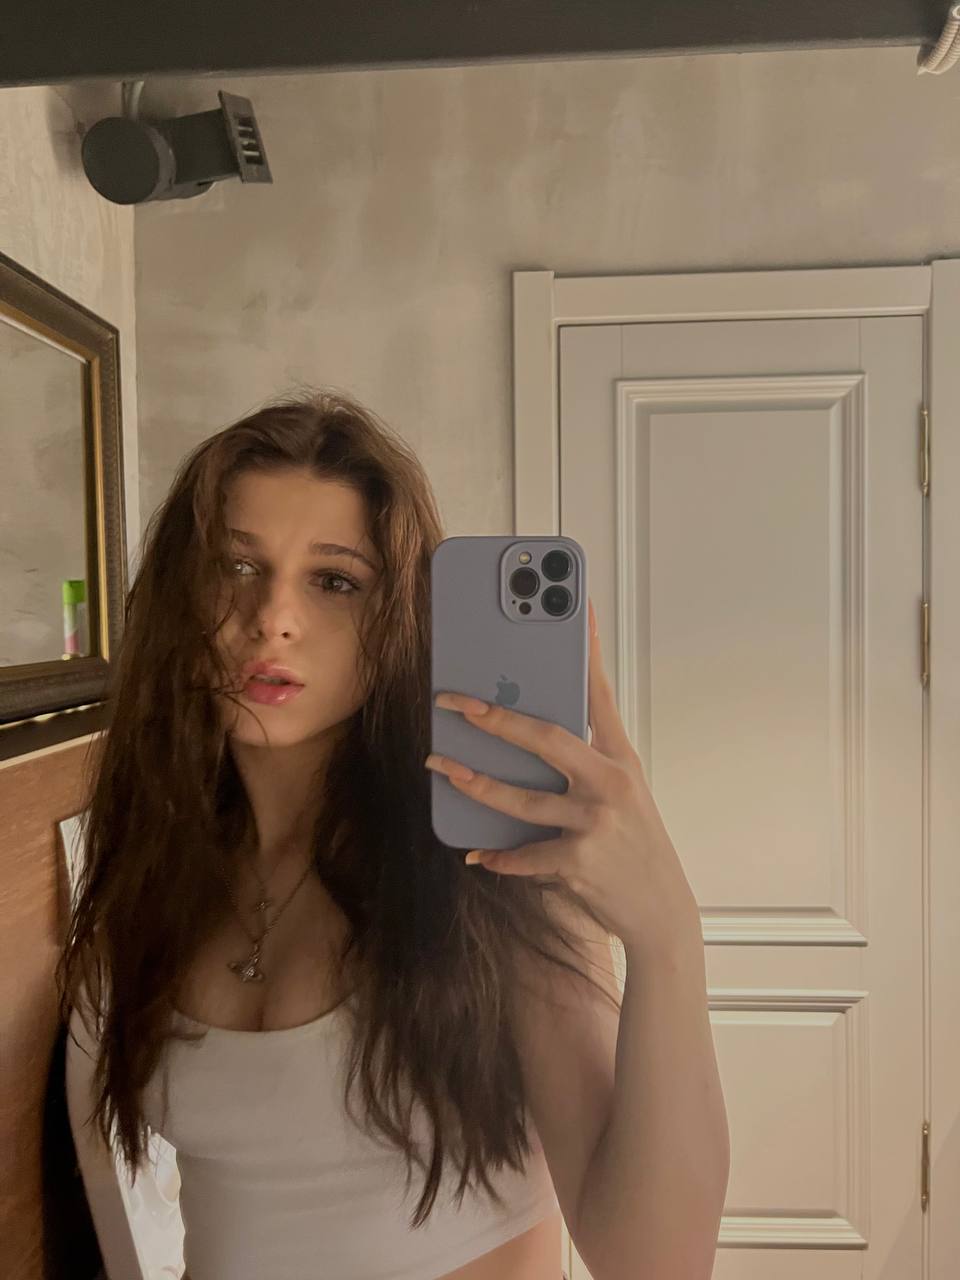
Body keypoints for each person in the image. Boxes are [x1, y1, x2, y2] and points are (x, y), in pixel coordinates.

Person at [59, 388, 728, 1280]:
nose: (273, 618)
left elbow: (658, 1262)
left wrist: (668, 936)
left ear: (400, 620)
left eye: (335, 580)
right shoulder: (155, 879)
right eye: (238, 566)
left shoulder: (489, 872)